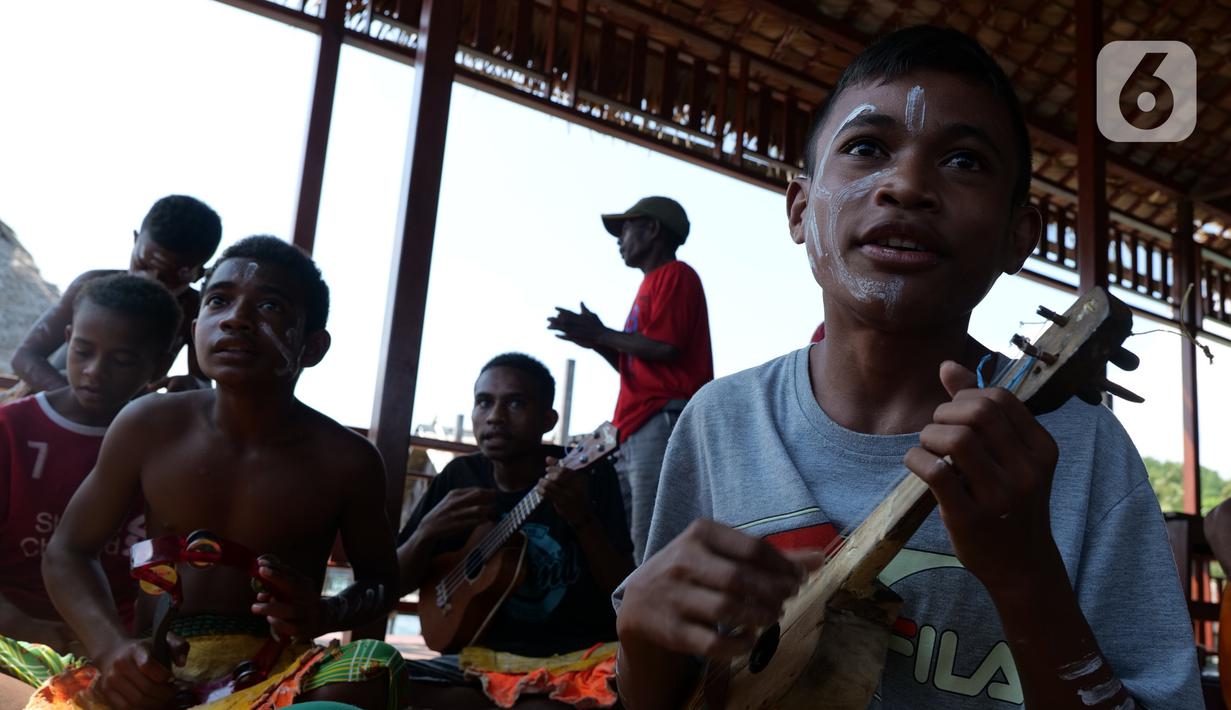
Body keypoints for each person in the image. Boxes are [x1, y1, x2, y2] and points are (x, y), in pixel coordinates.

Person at [613, 25, 1200, 710]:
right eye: (866, 148)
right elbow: (664, 694)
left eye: (964, 162)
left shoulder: (1079, 453)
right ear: (800, 209)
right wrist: (640, 639)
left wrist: (1024, 576)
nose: (908, 184)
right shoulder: (719, 421)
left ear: (1019, 236)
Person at [36, 236, 405, 709]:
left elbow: (381, 580)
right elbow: (67, 551)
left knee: (375, 667)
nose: (236, 318)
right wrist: (112, 650)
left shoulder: (347, 460)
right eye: (219, 300)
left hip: (277, 674)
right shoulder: (147, 423)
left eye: (270, 305)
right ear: (196, 328)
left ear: (313, 346)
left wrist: (323, 612)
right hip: (156, 669)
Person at [398, 353, 633, 708]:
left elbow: (624, 593)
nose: (494, 416)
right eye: (484, 402)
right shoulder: (458, 478)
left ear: (547, 419)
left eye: (516, 403)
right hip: (473, 661)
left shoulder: (587, 474)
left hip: (574, 659)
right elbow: (391, 583)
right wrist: (426, 532)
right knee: (385, 686)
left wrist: (582, 518)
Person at [0, 275, 181, 657]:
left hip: (119, 644)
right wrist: (24, 627)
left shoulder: (167, 448)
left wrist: (128, 645)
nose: (94, 371)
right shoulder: (11, 430)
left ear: (161, 363)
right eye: (82, 351)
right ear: (67, 337)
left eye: (122, 360)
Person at [548, 196, 713, 563]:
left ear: (652, 229)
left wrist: (602, 333)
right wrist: (597, 340)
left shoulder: (675, 274)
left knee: (653, 545)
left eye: (625, 230)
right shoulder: (651, 284)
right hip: (636, 426)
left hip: (660, 420)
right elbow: (638, 363)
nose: (620, 240)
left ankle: (654, 618)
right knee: (632, 543)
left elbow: (666, 348)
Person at [10, 195, 222, 396]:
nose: (148, 281)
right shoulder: (92, 286)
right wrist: (75, 402)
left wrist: (192, 384)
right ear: (135, 240)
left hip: (120, 419)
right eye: (142, 265)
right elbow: (24, 357)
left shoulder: (195, 311)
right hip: (57, 402)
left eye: (169, 279)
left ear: (198, 274)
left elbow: (203, 380)